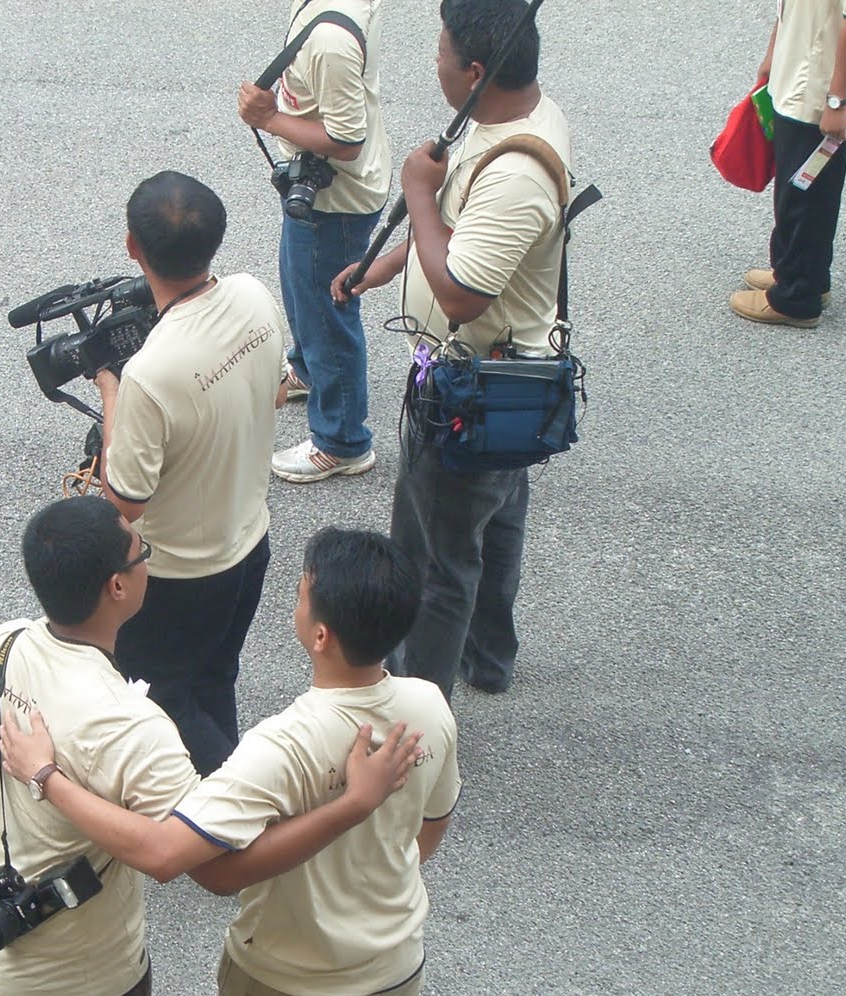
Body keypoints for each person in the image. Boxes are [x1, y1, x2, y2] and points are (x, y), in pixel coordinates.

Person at [0, 498, 417, 996]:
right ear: (118, 587)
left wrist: (42, 783)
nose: (147, 559)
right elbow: (197, 864)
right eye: (142, 553)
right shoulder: (133, 727)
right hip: (81, 971)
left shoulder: (0, 646)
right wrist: (51, 780)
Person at [332, 0, 572, 700]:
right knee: (495, 521)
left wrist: (415, 189)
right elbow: (460, 227)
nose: (433, 63)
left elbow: (464, 293)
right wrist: (384, 265)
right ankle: (487, 659)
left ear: (475, 71)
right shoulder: (509, 118)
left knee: (436, 559)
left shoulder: (515, 173)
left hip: (470, 387)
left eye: (441, 52)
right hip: (506, 379)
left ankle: (416, 713)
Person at [93, 171, 286, 774]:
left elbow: (126, 501)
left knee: (165, 694)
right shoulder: (254, 295)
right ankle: (222, 789)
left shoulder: (149, 373)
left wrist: (109, 389)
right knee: (216, 675)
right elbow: (279, 392)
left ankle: (240, 805)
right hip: (249, 543)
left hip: (178, 576)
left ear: (133, 246)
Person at [238, 0, 390, 483]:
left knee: (326, 314)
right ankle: (307, 370)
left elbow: (347, 140)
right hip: (324, 189)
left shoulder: (331, 40)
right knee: (298, 285)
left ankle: (341, 442)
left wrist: (268, 119)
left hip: (337, 201)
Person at [730, 0, 846, 327]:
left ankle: (796, 297)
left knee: (805, 199)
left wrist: (836, 101)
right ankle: (801, 273)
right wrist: (773, 57)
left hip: (816, 93)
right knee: (795, 192)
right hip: (795, 78)